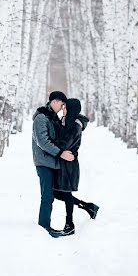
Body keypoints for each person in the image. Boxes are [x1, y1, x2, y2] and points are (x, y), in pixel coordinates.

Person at [52, 98, 99, 237]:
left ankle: (69, 225)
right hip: (64, 164)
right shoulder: (68, 123)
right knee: (58, 193)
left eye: (65, 107)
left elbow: (64, 145)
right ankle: (88, 207)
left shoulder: (75, 126)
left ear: (71, 109)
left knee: (65, 194)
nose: (63, 110)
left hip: (69, 165)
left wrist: (52, 141)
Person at [32, 91, 74, 236]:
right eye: (62, 105)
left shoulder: (51, 117)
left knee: (58, 194)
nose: (62, 108)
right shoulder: (41, 118)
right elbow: (43, 142)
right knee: (47, 196)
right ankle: (43, 227)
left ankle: (87, 207)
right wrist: (61, 153)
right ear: (54, 102)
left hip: (52, 163)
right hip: (44, 163)